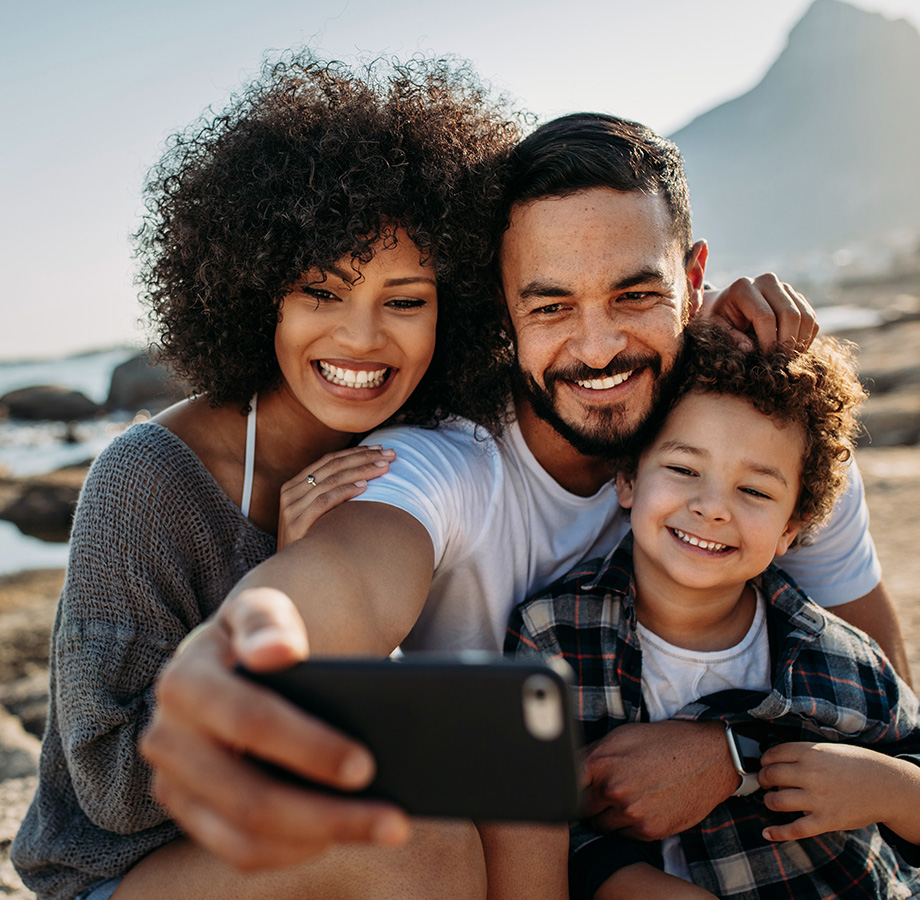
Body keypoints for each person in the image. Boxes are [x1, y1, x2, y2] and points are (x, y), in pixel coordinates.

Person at [141, 113, 909, 876]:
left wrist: (737, 754)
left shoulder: (766, 456)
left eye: (636, 295)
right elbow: (346, 575)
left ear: (694, 277)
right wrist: (252, 640)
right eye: (550, 306)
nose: (598, 345)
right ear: (502, 309)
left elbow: (886, 714)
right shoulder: (445, 464)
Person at [11, 52, 522, 900]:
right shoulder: (145, 481)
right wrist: (280, 591)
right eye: (322, 291)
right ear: (257, 293)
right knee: (414, 845)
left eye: (405, 301)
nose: (362, 339)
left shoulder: (413, 456)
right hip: (119, 871)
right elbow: (110, 790)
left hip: (278, 835)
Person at [506, 320, 920, 900]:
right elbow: (536, 817)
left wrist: (893, 787)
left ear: (789, 530)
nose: (712, 508)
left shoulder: (837, 654)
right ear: (627, 477)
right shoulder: (553, 636)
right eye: (683, 469)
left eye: (754, 491)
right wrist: (624, 882)